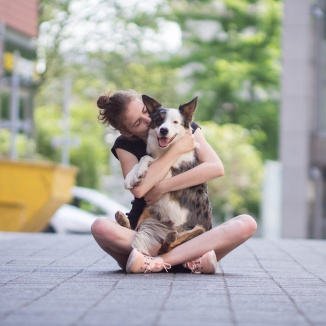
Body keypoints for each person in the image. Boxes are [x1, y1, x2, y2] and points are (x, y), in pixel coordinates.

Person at [91, 89, 257, 274]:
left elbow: (216, 167)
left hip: (190, 228)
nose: (148, 121)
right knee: (100, 227)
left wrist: (163, 186)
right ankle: (189, 260)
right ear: (126, 131)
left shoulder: (184, 125)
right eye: (137, 122)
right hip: (151, 228)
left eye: (145, 112)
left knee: (247, 223)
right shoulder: (124, 145)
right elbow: (139, 190)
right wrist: (176, 150)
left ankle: (156, 262)